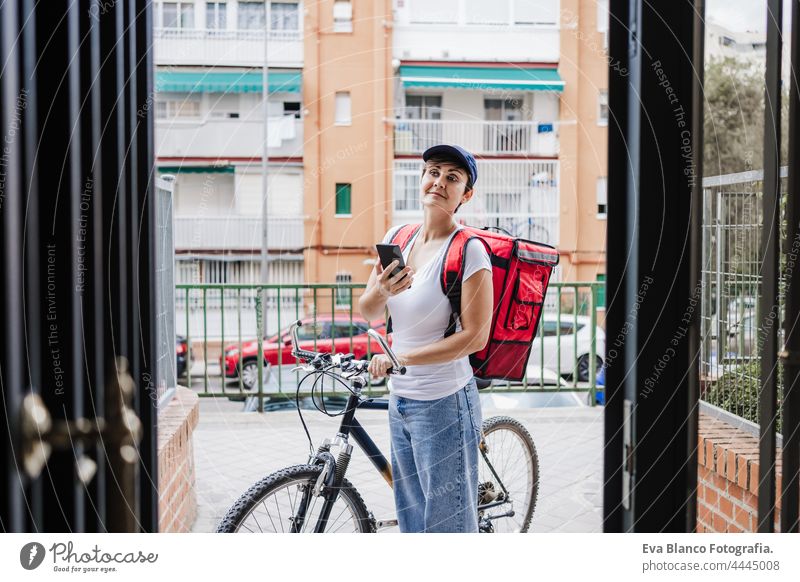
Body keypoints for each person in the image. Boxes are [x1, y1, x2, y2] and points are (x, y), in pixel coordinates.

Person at [358, 144, 493, 532]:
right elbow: (368, 310)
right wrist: (383, 290)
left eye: (452, 177)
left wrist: (403, 359)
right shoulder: (397, 237)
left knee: (446, 526)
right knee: (412, 521)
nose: (439, 182)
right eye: (433, 172)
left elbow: (475, 338)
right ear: (421, 178)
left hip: (445, 405)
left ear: (465, 194)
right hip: (400, 400)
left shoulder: (470, 251)